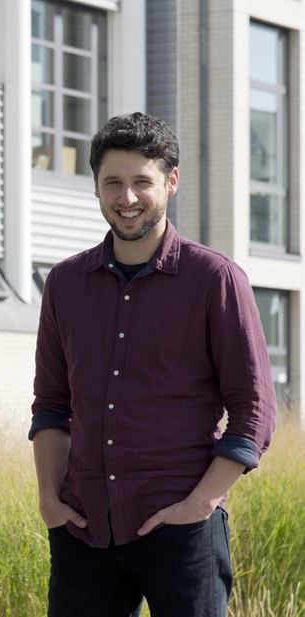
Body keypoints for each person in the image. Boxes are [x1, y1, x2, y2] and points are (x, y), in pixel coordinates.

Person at [30, 112, 277, 617]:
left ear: (171, 181)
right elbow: (52, 407)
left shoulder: (216, 279)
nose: (127, 198)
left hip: (183, 532)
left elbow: (254, 410)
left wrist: (201, 505)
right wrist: (49, 503)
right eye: (112, 183)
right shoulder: (64, 283)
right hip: (83, 530)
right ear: (95, 187)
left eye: (142, 182)